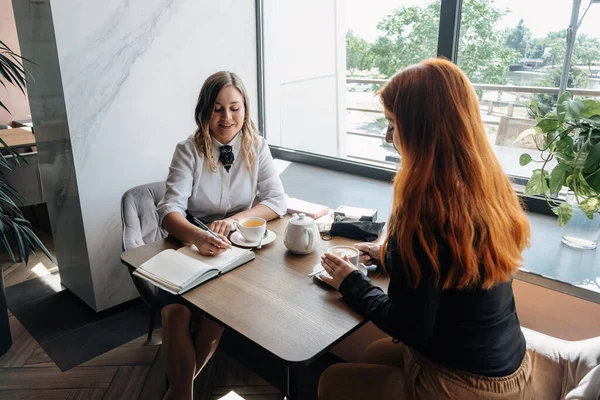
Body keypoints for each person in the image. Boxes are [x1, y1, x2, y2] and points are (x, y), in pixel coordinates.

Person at [317, 58, 533, 399]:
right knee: (374, 353)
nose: (388, 138)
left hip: (467, 383)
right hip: (510, 367)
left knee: (332, 381)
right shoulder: (487, 186)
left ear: (421, 130)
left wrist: (352, 283)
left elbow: (410, 327)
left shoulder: (424, 210)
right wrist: (390, 255)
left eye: (392, 125)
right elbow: (449, 272)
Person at [156, 71, 288, 400]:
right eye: (217, 109)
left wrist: (236, 219)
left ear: (245, 110)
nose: (227, 118)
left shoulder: (257, 146)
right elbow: (168, 210)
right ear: (205, 112)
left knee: (215, 319)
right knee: (175, 314)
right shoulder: (188, 149)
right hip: (189, 243)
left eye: (235, 108)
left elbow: (277, 201)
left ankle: (174, 395)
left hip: (238, 250)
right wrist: (198, 237)